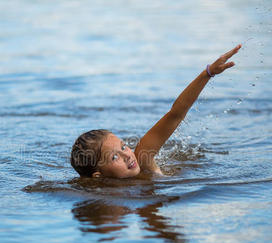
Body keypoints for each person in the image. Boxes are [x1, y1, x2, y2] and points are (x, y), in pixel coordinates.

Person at [71, 44, 242, 179]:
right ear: (98, 176)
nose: (127, 155)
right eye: (114, 157)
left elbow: (175, 114)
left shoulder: (143, 161)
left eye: (123, 146)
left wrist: (208, 73)